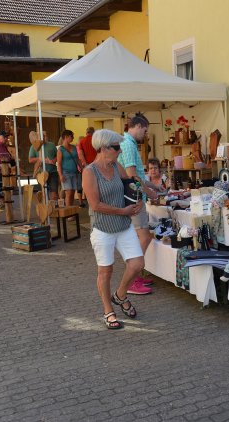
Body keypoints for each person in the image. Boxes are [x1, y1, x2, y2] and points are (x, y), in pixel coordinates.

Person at [82, 129, 146, 330]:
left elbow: (129, 186)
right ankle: (108, 310)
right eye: (116, 147)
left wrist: (137, 200)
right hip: (103, 228)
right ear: (103, 148)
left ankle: (120, 295)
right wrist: (122, 210)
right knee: (105, 271)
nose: (120, 151)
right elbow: (95, 205)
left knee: (137, 264)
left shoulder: (116, 166)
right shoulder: (90, 172)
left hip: (123, 225)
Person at [117, 113, 157, 295]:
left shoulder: (128, 143)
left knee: (139, 238)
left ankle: (136, 275)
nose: (145, 135)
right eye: (145, 130)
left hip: (134, 196)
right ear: (138, 126)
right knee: (144, 238)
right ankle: (133, 279)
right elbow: (132, 175)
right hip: (134, 197)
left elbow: (137, 174)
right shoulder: (128, 144)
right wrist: (148, 191)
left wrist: (152, 186)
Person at [29, 131, 59, 201]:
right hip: (41, 173)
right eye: (42, 136)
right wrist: (41, 159)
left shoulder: (51, 145)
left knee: (54, 193)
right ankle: (45, 206)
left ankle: (53, 206)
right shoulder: (34, 146)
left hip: (52, 172)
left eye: (44, 135)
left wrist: (53, 160)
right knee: (43, 193)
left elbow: (58, 155)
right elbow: (30, 160)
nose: (44, 137)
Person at [56, 129, 81, 208]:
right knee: (68, 192)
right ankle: (68, 211)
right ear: (66, 137)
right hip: (65, 173)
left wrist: (82, 168)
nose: (73, 138)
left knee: (72, 192)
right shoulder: (60, 149)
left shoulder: (74, 147)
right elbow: (59, 163)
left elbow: (77, 159)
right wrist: (60, 175)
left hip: (74, 172)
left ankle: (71, 209)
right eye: (71, 136)